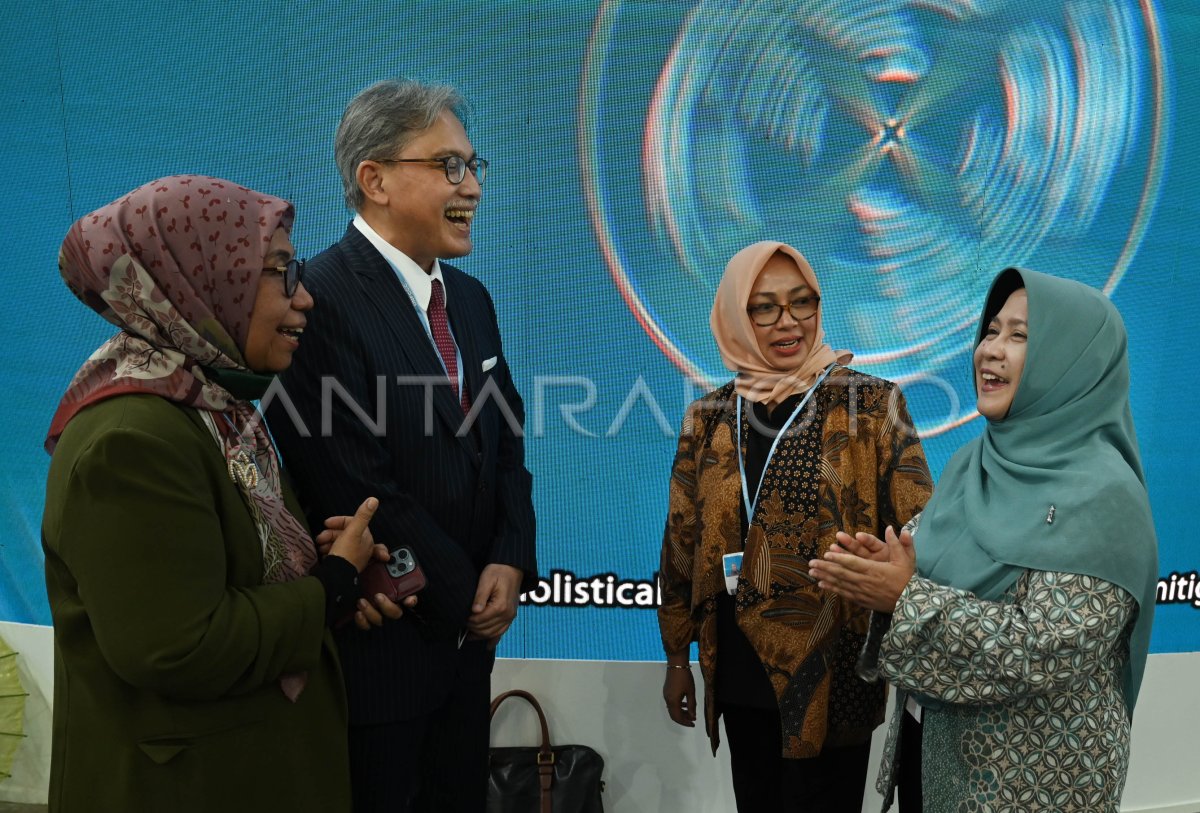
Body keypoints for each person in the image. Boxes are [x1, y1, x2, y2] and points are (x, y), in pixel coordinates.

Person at [41, 175, 409, 813]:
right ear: (195, 279)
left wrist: (332, 581)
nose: (306, 299)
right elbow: (179, 647)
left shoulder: (211, 406)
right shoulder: (131, 441)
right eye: (278, 273)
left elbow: (231, 575)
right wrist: (329, 588)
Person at [265, 79, 537, 813]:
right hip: (382, 655)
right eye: (449, 166)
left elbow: (505, 441)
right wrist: (465, 596)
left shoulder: (471, 300)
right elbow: (359, 483)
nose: (472, 186)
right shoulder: (317, 301)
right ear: (374, 179)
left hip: (466, 657)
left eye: (475, 166)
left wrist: (511, 557)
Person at [808, 268, 1159, 813]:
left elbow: (1043, 651)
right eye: (991, 331)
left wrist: (905, 597)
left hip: (1032, 784)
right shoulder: (973, 463)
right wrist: (887, 567)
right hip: (933, 760)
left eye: (1019, 336)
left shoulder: (1104, 494)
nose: (990, 351)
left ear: (1074, 362)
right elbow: (918, 565)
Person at [657, 240, 932, 812]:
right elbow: (682, 542)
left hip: (834, 670)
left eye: (802, 302)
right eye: (765, 307)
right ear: (736, 314)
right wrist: (677, 659)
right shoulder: (708, 417)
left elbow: (919, 530)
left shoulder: (872, 406)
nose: (789, 322)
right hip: (738, 668)